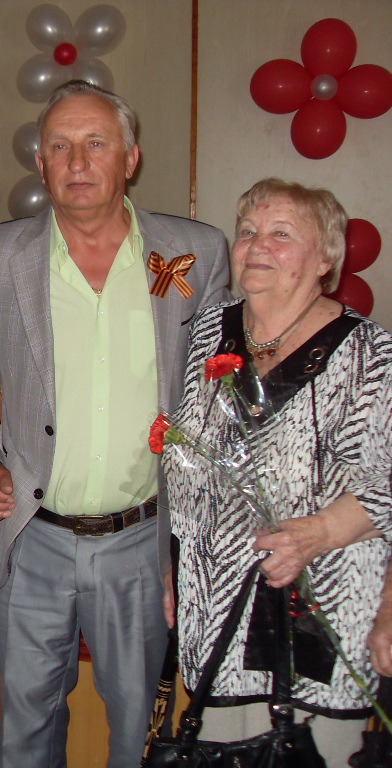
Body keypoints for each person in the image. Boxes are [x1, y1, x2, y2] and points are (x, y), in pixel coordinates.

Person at [0, 80, 230, 768]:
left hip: (140, 542)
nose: (77, 162)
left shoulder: (192, 255)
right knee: (26, 727)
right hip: (30, 537)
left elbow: (215, 395)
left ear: (130, 158)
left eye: (95, 143)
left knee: (138, 726)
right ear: (40, 163)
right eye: (59, 147)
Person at [165, 178, 392, 766]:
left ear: (325, 259)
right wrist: (171, 564)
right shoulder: (208, 333)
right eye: (248, 231)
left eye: (282, 234)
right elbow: (183, 460)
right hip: (214, 609)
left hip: (320, 609)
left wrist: (316, 534)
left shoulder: (369, 354)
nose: (257, 244)